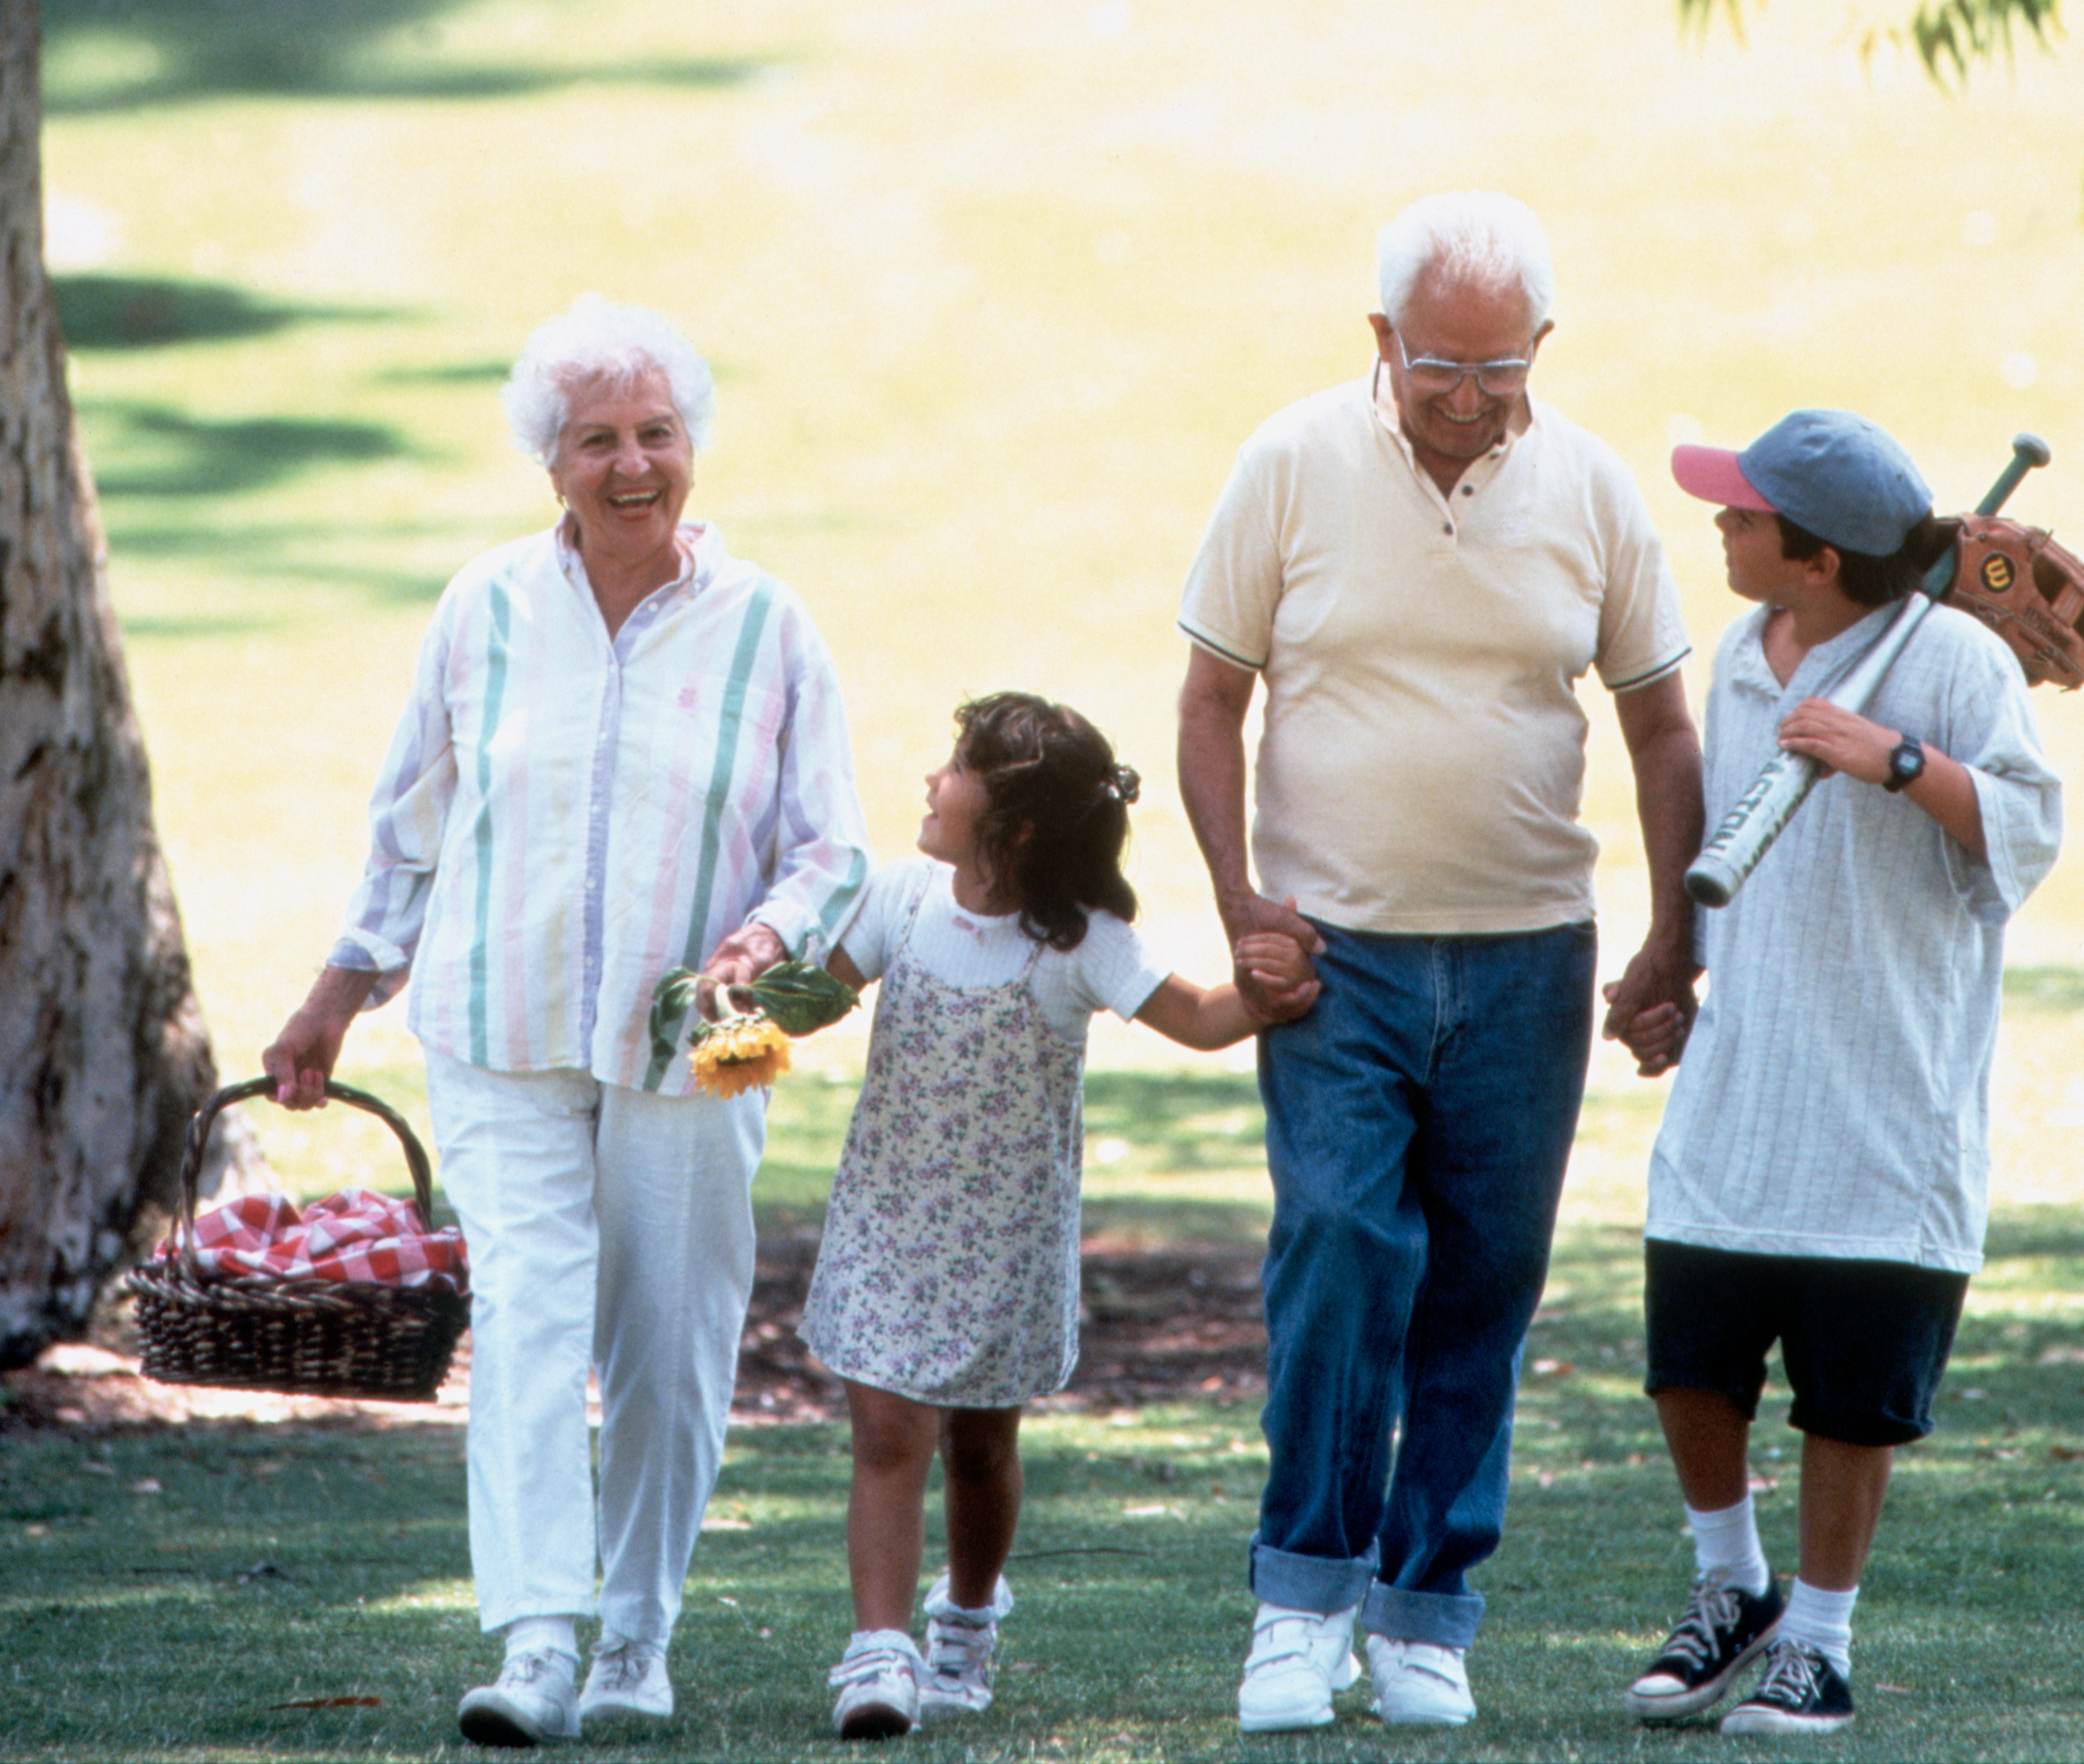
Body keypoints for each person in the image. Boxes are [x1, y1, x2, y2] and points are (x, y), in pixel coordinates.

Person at [262, 297, 872, 1748]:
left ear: (692, 449)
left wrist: (767, 937)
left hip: (697, 1043)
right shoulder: (482, 606)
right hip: (497, 1022)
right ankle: (537, 1636)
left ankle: (636, 1637)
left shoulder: (768, 626)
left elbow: (834, 850)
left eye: (656, 434)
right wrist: (337, 993)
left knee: (669, 1337)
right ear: (550, 463)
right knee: (532, 1321)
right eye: (595, 439)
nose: (630, 465)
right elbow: (408, 826)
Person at [1174, 191, 1704, 1732]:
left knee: (1485, 1277)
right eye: (1437, 368)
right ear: (1379, 343)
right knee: (1341, 1245)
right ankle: (1299, 1599)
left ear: (1540, 345)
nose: (1468, 399)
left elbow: (1659, 721)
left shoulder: (1592, 490)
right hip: (1337, 955)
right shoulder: (1288, 464)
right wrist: (1237, 901)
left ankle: (1424, 1614)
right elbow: (1210, 700)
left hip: (1530, 951)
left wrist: (1675, 930)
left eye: (1498, 368)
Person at [1616, 410, 2061, 1735]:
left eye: (1741, 514)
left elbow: (2028, 833)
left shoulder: (1955, 665)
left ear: (1813, 556)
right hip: (1744, 1081)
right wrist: (1668, 962)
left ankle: (1817, 1636)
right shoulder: (1744, 660)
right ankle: (1729, 1588)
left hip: (1889, 1099)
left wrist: (1899, 763)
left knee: (1849, 1398)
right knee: (1688, 1362)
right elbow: (1728, 843)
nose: (1717, 523)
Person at [803, 693, 1318, 1740]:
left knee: (982, 1449)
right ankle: (879, 1652)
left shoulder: (1080, 942)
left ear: (1019, 824)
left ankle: (969, 1613)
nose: (934, 780)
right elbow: (818, 991)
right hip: (890, 1223)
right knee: (889, 1435)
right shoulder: (899, 899)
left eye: (958, 768)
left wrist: (1265, 996)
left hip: (1003, 1244)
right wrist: (739, 996)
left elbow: (1198, 1015)